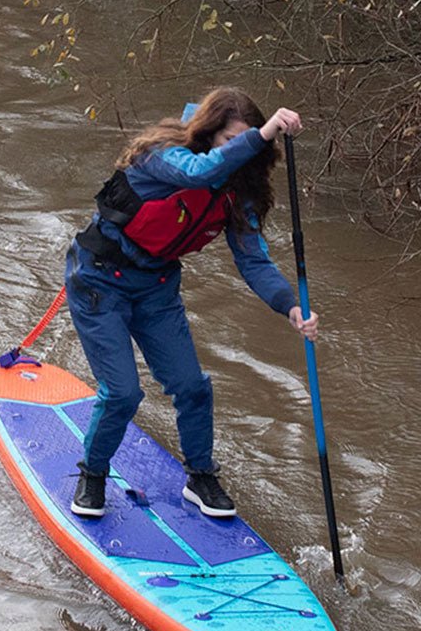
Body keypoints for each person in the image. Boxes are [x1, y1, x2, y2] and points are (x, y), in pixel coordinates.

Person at [64, 87, 316, 519]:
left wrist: (290, 306)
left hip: (156, 289)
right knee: (124, 393)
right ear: (208, 134)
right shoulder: (164, 154)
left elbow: (254, 261)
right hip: (99, 283)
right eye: (230, 141)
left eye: (247, 140)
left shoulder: (241, 193)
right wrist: (266, 131)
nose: (240, 151)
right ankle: (93, 474)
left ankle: (200, 477)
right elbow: (200, 174)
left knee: (194, 388)